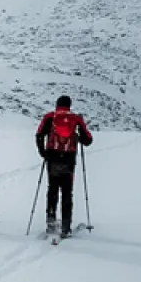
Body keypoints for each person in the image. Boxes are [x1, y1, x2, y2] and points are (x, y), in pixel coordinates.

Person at [35, 95, 93, 237]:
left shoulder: (49, 117)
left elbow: (39, 135)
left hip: (52, 158)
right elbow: (88, 140)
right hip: (68, 159)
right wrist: (78, 136)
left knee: (52, 190)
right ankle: (66, 227)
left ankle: (51, 221)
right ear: (69, 105)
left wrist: (43, 153)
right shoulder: (76, 119)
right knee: (67, 192)